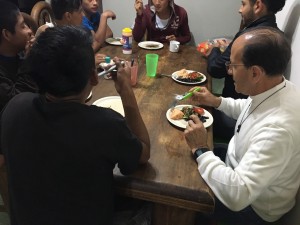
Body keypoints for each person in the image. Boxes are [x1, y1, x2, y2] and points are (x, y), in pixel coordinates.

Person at [0, 26, 150, 225]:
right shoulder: (105, 124)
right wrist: (126, 92)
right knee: (149, 208)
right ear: (93, 76)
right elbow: (143, 153)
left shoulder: (15, 108)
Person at [184, 27, 300, 225]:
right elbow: (247, 107)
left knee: (184, 196)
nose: (228, 70)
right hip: (235, 165)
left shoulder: (278, 129)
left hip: (252, 209)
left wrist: (201, 149)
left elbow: (238, 195)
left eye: (233, 65)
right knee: (184, 161)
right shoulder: (277, 86)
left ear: (255, 72)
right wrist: (215, 101)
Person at [205, 0, 286, 141]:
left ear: (258, 5)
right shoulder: (277, 37)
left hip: (232, 121)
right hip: (239, 109)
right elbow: (248, 104)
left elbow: (215, 68)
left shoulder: (249, 38)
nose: (239, 10)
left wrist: (215, 50)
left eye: (243, 4)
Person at [35, 0, 107, 67]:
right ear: (68, 16)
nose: (83, 15)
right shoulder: (47, 33)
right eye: (80, 11)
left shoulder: (75, 30)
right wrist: (87, 64)